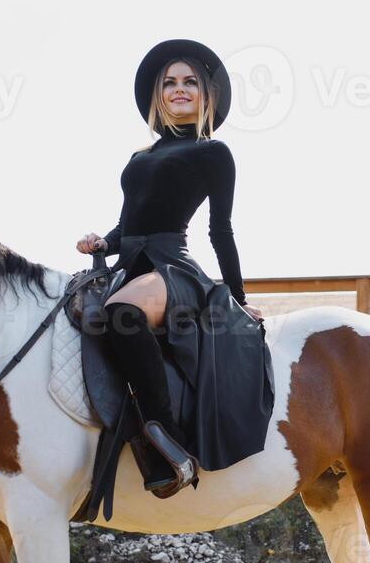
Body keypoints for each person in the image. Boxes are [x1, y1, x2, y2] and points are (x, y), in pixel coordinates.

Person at [76, 38, 273, 499]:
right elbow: (128, 223)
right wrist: (104, 241)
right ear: (158, 96)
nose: (178, 89)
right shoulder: (138, 158)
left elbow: (220, 230)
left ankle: (165, 441)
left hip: (172, 268)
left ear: (206, 95)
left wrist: (239, 300)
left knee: (122, 313)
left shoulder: (213, 152)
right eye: (170, 83)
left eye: (189, 82)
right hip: (130, 262)